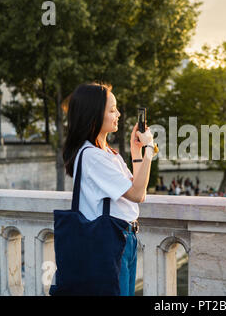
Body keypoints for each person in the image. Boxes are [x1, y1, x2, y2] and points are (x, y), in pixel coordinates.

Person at [62, 82, 156, 296]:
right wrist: (149, 148)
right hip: (110, 242)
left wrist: (137, 151)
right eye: (112, 110)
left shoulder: (107, 153)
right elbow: (138, 195)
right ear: (93, 115)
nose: (119, 114)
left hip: (124, 239)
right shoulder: (93, 157)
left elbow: (138, 187)